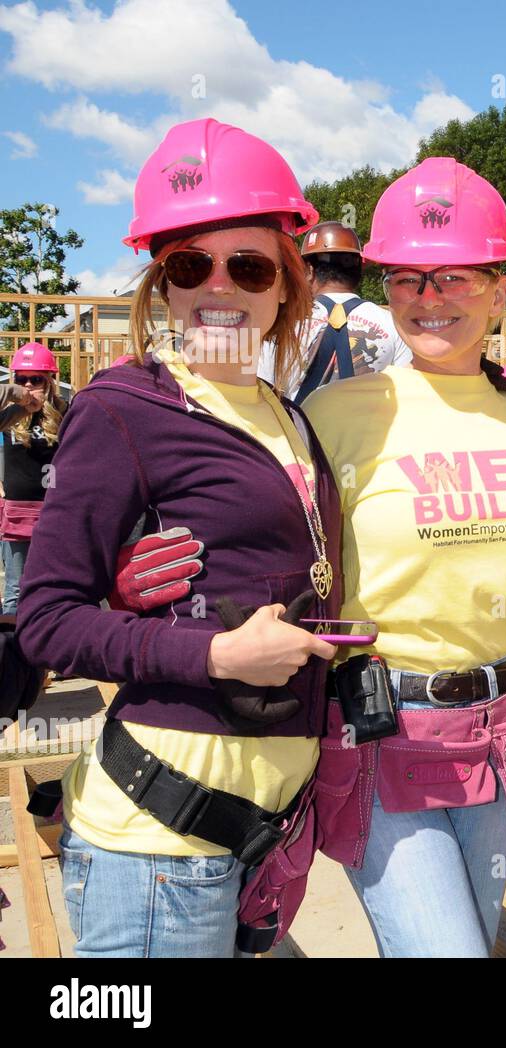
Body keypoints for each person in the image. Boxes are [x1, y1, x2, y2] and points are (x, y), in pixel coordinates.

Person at [16, 117, 340, 958]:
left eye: (250, 265)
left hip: (261, 832)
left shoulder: (289, 420)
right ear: (164, 283)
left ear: (285, 286)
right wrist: (212, 654)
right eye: (192, 265)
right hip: (159, 843)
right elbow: (46, 618)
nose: (219, 286)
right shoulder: (125, 409)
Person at [301, 157, 506, 957]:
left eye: (455, 275)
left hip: (504, 732)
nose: (430, 298)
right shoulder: (340, 413)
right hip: (385, 735)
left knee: (467, 942)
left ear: (499, 288)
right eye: (408, 278)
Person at [256, 220, 411, 400]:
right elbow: (405, 392)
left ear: (309, 270)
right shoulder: (395, 324)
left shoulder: (279, 323)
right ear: (358, 270)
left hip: (300, 427)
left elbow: (263, 393)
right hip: (370, 428)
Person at [1, 343, 64, 614]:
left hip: (54, 513)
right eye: (21, 379)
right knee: (15, 590)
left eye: (36, 379)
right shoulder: (9, 416)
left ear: (49, 381)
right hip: (16, 514)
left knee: (55, 587)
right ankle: (11, 653)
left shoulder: (66, 410)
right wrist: (17, 398)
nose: (28, 385)